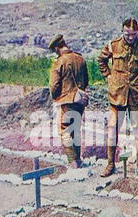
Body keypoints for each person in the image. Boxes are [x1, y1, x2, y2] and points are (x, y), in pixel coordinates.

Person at [97, 18, 138, 177]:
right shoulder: (113, 45)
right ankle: (110, 164)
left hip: (136, 96)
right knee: (112, 129)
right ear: (122, 31)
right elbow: (101, 59)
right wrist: (108, 76)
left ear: (137, 32)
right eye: (127, 34)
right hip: (117, 95)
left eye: (133, 34)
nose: (130, 37)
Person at [48, 34, 89, 168]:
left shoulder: (59, 62)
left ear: (56, 48)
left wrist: (55, 97)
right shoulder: (80, 59)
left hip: (66, 100)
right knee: (75, 130)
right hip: (80, 100)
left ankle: (72, 161)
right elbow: (86, 80)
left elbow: (54, 85)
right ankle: (78, 159)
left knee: (65, 131)